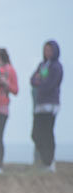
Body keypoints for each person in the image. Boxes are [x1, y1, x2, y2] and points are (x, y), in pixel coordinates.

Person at [30, 40, 63, 172]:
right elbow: (32, 80)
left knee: (47, 133)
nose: (47, 52)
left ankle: (49, 162)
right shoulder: (43, 65)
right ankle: (45, 160)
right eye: (45, 50)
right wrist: (39, 81)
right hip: (39, 105)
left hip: (50, 105)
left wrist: (40, 82)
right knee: (36, 134)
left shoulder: (56, 66)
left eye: (49, 50)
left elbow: (49, 84)